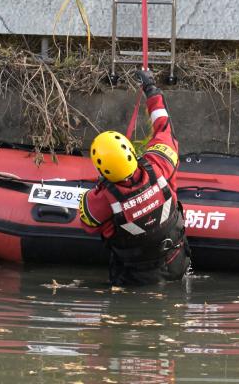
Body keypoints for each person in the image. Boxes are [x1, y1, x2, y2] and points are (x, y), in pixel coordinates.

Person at [78, 68, 190, 286]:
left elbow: (88, 224)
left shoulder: (102, 199)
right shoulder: (159, 165)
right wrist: (151, 89)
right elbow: (164, 126)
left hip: (134, 280)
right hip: (178, 263)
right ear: (130, 151)